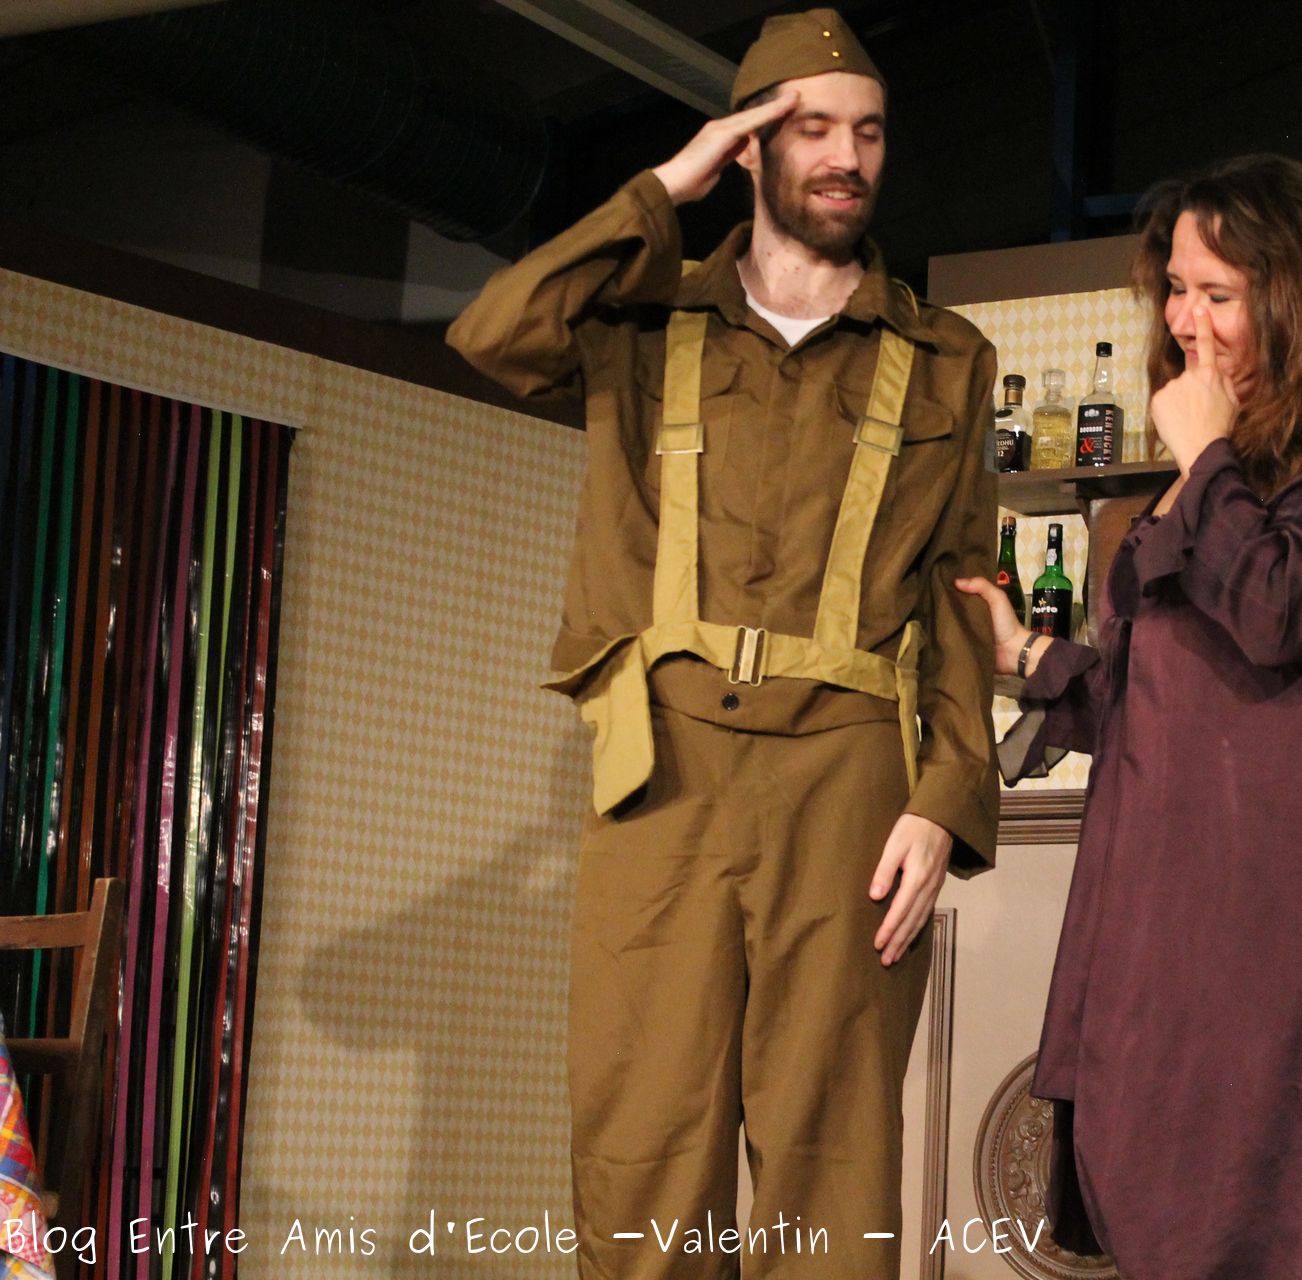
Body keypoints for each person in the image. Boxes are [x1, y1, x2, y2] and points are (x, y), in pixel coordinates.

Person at [447, 9, 999, 1277]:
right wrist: (665, 187)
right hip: (666, 768)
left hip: (850, 775)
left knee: (831, 1164)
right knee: (643, 1145)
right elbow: (492, 332)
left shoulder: (944, 357)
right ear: (751, 146)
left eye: (868, 132)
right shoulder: (642, 322)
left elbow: (963, 587)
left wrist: (946, 795)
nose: (847, 156)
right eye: (814, 129)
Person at [957, 153, 1302, 1279]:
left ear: (1301, 299)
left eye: (1218, 294)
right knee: (1155, 1219)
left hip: (1276, 926)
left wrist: (1206, 454)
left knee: (1270, 1230)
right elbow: (1161, 699)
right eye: (1176, 289)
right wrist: (1023, 653)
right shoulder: (1214, 471)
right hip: (1154, 924)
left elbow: (1275, 610)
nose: (1185, 321)